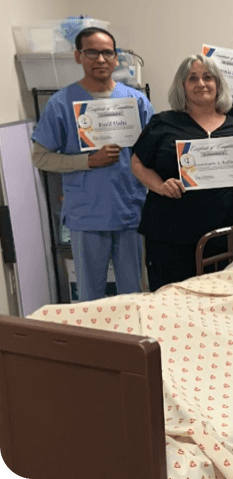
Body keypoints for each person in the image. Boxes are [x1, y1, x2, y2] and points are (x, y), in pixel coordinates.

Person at [31, 27, 154, 301]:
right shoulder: (61, 104)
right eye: (92, 52)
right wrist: (88, 161)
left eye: (107, 52)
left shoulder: (136, 101)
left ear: (115, 57)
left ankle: (132, 344)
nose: (100, 59)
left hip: (129, 211)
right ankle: (95, 345)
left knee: (133, 293)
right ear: (78, 56)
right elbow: (40, 157)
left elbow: (152, 154)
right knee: (90, 295)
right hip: (87, 214)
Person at [131, 54, 233, 292]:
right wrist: (159, 185)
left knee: (221, 300)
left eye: (208, 77)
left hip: (225, 236)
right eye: (193, 78)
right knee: (171, 300)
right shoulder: (163, 123)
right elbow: (137, 163)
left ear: (218, 84)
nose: (201, 83)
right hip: (171, 235)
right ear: (183, 86)